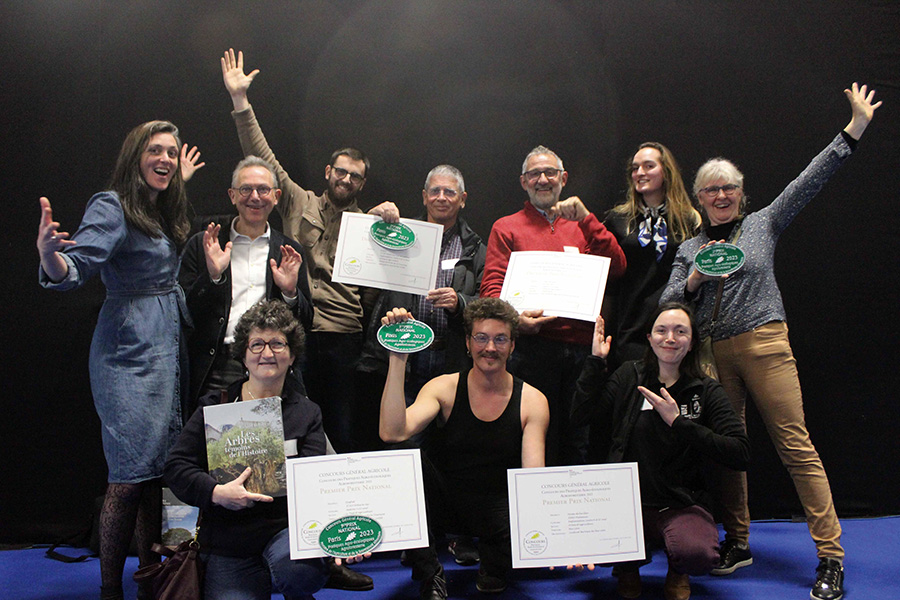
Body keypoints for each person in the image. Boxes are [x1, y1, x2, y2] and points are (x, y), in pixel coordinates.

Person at [661, 83, 881, 600]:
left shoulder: (763, 224)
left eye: (728, 188)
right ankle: (737, 541)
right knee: (728, 451)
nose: (720, 196)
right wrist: (692, 279)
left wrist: (855, 129)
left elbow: (811, 180)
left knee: (794, 444)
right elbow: (668, 301)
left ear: (741, 193)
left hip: (764, 343)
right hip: (714, 353)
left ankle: (831, 555)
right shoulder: (690, 246)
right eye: (710, 190)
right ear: (699, 199)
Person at [37, 121, 203, 600]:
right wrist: (50, 257)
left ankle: (150, 577)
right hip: (127, 353)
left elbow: (155, 224)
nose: (167, 160)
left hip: (167, 346)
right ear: (135, 156)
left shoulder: (161, 203)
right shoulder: (111, 206)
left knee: (157, 473)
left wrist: (175, 178)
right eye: (155, 151)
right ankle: (111, 589)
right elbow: (76, 266)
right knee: (129, 477)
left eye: (171, 152)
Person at [221, 48, 400, 454]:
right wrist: (240, 102)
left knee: (341, 425)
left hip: (342, 338)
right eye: (341, 171)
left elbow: (374, 288)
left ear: (362, 184)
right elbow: (261, 154)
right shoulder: (297, 202)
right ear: (328, 173)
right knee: (286, 429)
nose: (347, 179)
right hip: (292, 334)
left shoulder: (372, 225)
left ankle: (340, 508)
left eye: (356, 177)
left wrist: (390, 218)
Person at [165, 300, 366, 599]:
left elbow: (317, 485)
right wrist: (216, 493)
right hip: (228, 545)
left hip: (285, 535)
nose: (267, 353)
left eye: (277, 344)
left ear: (292, 355)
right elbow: (176, 466)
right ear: (243, 356)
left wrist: (339, 539)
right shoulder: (215, 406)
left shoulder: (307, 413)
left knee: (303, 573)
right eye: (257, 344)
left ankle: (292, 584)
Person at [571, 303, 750, 600]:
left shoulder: (705, 390)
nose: (670, 338)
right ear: (650, 338)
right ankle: (627, 567)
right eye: (662, 330)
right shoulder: (629, 376)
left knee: (697, 554)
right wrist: (594, 363)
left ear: (692, 342)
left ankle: (678, 571)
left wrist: (679, 422)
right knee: (593, 542)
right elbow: (580, 418)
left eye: (681, 332)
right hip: (626, 504)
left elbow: (740, 453)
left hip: (681, 504)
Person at [379, 298, 549, 599]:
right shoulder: (443, 387)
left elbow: (533, 484)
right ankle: (430, 574)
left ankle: (494, 564)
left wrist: (567, 539)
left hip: (499, 509)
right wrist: (398, 357)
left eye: (500, 339)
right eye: (481, 338)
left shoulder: (533, 400)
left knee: (521, 517)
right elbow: (393, 432)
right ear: (468, 343)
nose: (490, 348)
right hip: (445, 502)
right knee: (403, 457)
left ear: (512, 346)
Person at [480, 145, 626, 465]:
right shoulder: (506, 227)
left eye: (550, 173)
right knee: (531, 437)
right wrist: (515, 322)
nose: (542, 179)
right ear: (523, 182)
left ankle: (573, 513)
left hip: (581, 350)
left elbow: (617, 268)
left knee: (578, 438)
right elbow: (491, 288)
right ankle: (531, 510)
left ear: (564, 179)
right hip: (531, 349)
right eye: (535, 174)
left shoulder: (583, 225)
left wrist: (588, 220)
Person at [179, 156, 314, 414]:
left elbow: (306, 322)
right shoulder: (205, 244)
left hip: (270, 365)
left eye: (263, 190)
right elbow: (185, 313)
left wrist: (289, 293)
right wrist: (214, 277)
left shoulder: (288, 250)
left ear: (276, 196)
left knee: (266, 449)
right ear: (232, 195)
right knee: (219, 450)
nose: (255, 196)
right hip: (218, 366)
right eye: (246, 189)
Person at [603, 142, 701, 367]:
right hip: (630, 325)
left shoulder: (689, 220)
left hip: (673, 328)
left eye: (648, 166)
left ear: (666, 172)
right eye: (635, 168)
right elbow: (608, 281)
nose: (640, 173)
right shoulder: (618, 220)